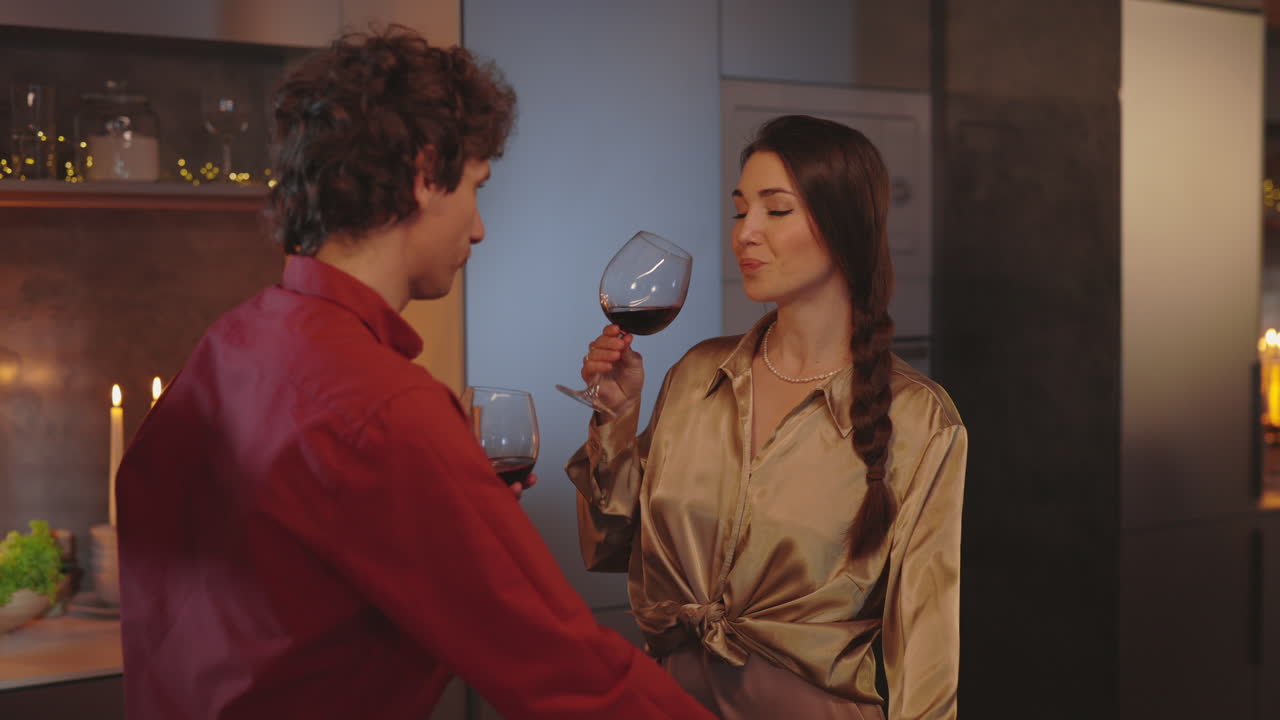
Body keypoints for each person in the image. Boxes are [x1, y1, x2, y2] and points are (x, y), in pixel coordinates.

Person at [116, 26, 715, 720]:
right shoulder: (387, 409)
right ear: (426, 174)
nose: (479, 228)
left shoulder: (229, 344)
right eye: (476, 188)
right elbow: (570, 672)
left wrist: (451, 507)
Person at [567, 115, 967, 719]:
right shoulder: (696, 375)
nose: (744, 233)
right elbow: (607, 547)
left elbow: (926, 646)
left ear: (844, 226)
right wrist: (615, 417)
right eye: (740, 211)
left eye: (776, 210)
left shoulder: (920, 419)